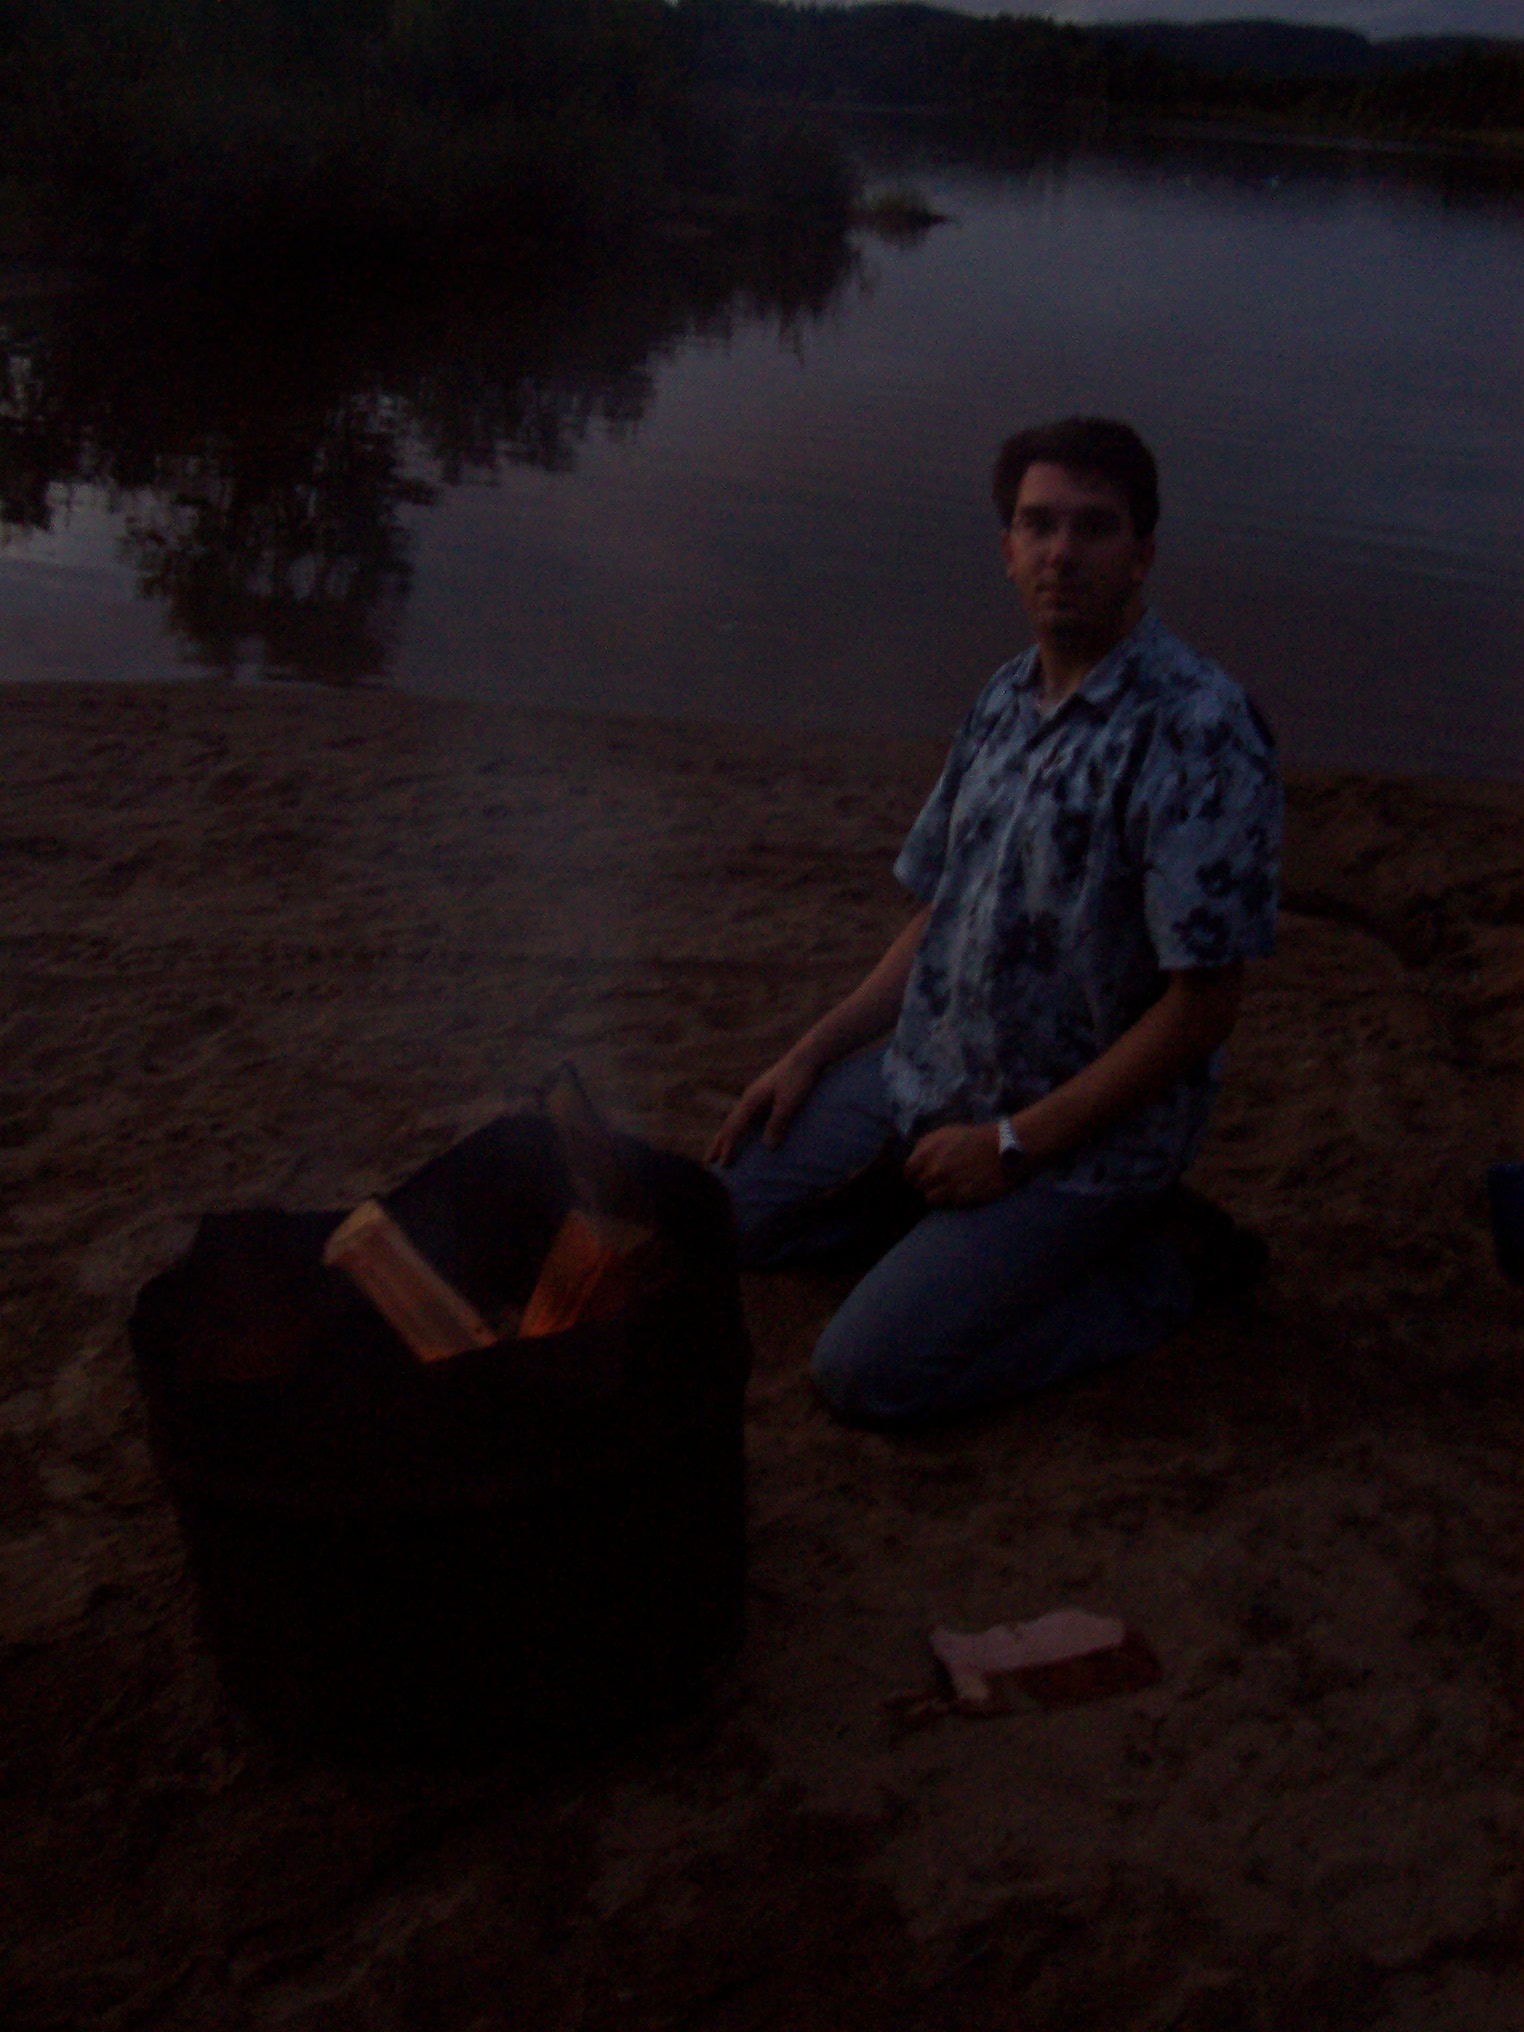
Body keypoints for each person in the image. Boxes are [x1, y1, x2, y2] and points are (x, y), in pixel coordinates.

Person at [709, 416, 1282, 1426]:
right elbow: (943, 913)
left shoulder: (1199, 728)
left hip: (1079, 1139)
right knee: (719, 1218)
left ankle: (1161, 1266)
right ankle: (944, 1226)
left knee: (870, 1374)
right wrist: (809, 1052)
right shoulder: (1003, 701)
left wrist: (1012, 1146)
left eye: (1094, 527)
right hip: (930, 1081)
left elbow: (1204, 1007)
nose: (1063, 551)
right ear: (1007, 549)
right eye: (1040, 524)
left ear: (1142, 552)